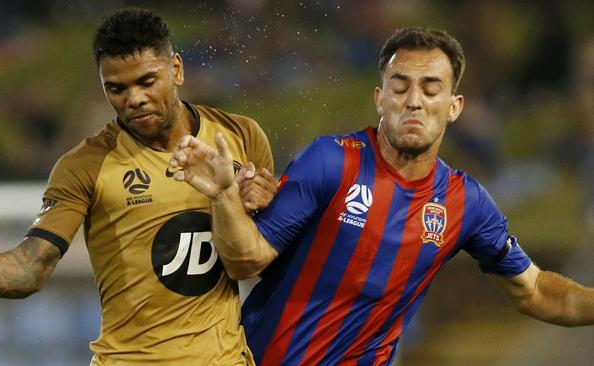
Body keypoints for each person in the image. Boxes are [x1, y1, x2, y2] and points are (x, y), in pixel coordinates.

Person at [170, 27, 594, 365]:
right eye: (400, 86)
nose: (414, 101)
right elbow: (246, 261)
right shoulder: (331, 162)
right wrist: (226, 195)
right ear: (380, 98)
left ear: (454, 107)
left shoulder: (466, 203)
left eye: (430, 89)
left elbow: (535, 291)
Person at [0, 7, 276, 365]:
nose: (133, 99)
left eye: (147, 82)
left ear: (176, 70)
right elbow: (32, 265)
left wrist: (263, 202)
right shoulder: (84, 165)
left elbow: (254, 263)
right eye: (116, 88)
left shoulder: (241, 137)